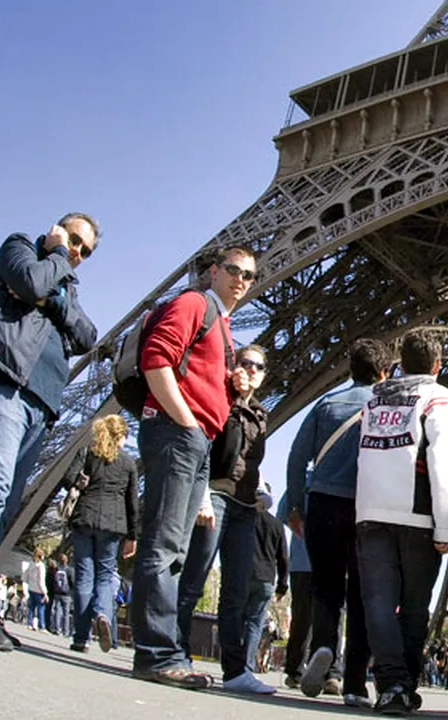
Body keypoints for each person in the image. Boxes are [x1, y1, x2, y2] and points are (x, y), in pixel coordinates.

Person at [0, 214, 99, 651]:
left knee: (5, 502)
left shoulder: (64, 284)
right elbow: (30, 282)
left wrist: (51, 299)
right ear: (56, 230)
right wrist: (52, 258)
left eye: (85, 251)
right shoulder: (21, 248)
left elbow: (87, 334)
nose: (77, 252)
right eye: (73, 241)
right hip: (5, 381)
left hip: (43, 401)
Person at [130, 245, 253, 689]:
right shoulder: (194, 303)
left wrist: (230, 384)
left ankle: (167, 650)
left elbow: (194, 376)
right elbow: (157, 359)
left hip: (196, 439)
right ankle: (156, 654)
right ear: (215, 271)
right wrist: (185, 420)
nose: (242, 280)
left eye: (250, 275)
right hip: (178, 432)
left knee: (177, 550)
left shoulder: (222, 325)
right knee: (164, 545)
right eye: (234, 270)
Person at [355, 328, 448, 715]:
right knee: (414, 606)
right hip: (417, 514)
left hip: (371, 511)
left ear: (401, 364)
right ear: (437, 366)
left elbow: (363, 457)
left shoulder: (373, 400)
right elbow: (445, 463)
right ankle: (405, 684)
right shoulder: (438, 398)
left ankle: (390, 684)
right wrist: (447, 526)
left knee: (379, 603)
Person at [287, 338, 392, 705]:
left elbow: (297, 458)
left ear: (350, 370)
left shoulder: (326, 404)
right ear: (385, 372)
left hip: (323, 504)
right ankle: (353, 683)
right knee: (363, 594)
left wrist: (295, 506)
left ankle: (323, 647)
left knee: (326, 588)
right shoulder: (385, 408)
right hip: (366, 508)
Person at [174, 342, 273, 694]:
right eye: (245, 363)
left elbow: (251, 462)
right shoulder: (218, 396)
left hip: (245, 508)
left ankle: (235, 671)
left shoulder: (260, 414)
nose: (250, 370)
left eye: (258, 367)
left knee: (236, 592)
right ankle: (177, 655)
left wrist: (262, 490)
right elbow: (202, 447)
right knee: (194, 579)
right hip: (214, 496)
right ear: (233, 365)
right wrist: (201, 495)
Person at [62, 414, 139, 654]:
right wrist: (132, 535)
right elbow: (132, 503)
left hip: (85, 517)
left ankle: (80, 637)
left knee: (84, 577)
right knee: (105, 577)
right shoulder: (128, 463)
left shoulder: (87, 453)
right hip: (113, 524)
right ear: (121, 436)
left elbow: (67, 480)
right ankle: (103, 613)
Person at [244, 488, 288, 675]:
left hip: (244, 573)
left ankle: (232, 661)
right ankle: (247, 664)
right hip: (266, 577)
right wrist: (282, 586)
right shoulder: (276, 524)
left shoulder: (245, 519)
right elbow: (283, 556)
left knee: (237, 619)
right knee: (255, 623)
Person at [282, 526, 315, 690]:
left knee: (303, 619)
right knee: (303, 618)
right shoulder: (296, 498)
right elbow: (284, 512)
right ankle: (295, 671)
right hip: (304, 562)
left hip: (305, 563)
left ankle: (330, 673)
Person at [48, 554, 73, 636]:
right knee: (66, 613)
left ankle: (57, 629)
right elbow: (72, 582)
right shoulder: (69, 570)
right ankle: (65, 631)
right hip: (66, 594)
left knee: (57, 611)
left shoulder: (56, 569)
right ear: (67, 560)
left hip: (57, 593)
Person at [25, 548, 48, 631]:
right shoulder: (41, 566)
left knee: (31, 608)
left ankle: (29, 623)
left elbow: (26, 576)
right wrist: (45, 593)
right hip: (39, 590)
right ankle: (41, 626)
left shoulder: (31, 564)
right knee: (41, 608)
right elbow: (41, 580)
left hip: (31, 588)